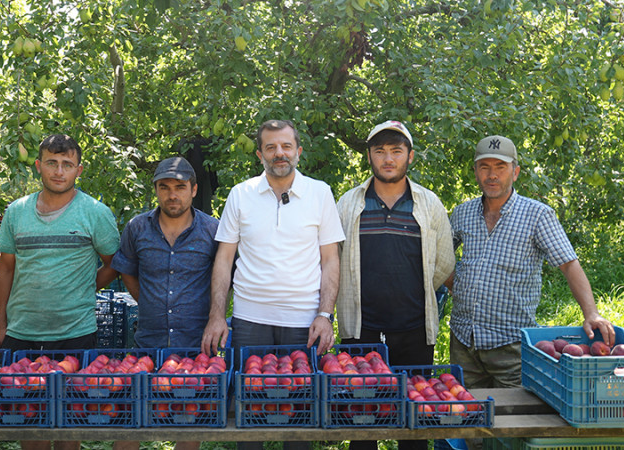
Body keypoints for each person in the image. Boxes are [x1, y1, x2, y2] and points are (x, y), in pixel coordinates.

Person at [201, 119, 345, 450]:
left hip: (303, 322)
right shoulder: (241, 194)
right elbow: (223, 259)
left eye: (286, 146)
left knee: (298, 427)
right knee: (250, 423)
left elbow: (330, 261)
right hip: (250, 321)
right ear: (259, 154)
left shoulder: (319, 193)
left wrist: (325, 314)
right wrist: (217, 315)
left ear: (298, 151)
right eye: (271, 147)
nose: (279, 153)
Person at [447, 135, 615, 389]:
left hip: (511, 346)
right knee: (466, 418)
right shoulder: (462, 213)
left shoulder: (537, 215)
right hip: (463, 343)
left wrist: (591, 313)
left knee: (515, 422)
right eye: (485, 167)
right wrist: (456, 286)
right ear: (476, 172)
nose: (492, 175)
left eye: (500, 167)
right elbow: (440, 258)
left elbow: (569, 264)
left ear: (515, 172)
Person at [0, 134, 120, 450]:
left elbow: (113, 264)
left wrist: (81, 287)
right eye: (51, 163)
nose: (59, 171)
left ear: (79, 170)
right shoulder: (17, 212)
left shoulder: (95, 212)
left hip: (74, 333)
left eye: (67, 164)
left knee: (69, 418)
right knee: (28, 417)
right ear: (38, 166)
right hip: (22, 332)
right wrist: (0, 326)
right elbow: (5, 268)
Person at [335, 120, 455, 450]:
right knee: (362, 423)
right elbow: (334, 260)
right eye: (380, 151)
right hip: (361, 330)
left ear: (409, 157)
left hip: (414, 329)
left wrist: (409, 291)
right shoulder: (348, 204)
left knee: (413, 423)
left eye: (396, 151)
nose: (388, 158)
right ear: (370, 157)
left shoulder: (429, 204)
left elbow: (443, 264)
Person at [111, 156, 219, 450]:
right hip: (148, 345)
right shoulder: (137, 228)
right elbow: (127, 271)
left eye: (180, 187)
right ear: (156, 189)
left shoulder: (212, 230)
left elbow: (224, 280)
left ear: (194, 189)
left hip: (195, 348)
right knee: (130, 424)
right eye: (164, 187)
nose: (172, 194)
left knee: (187, 425)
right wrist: (148, 302)